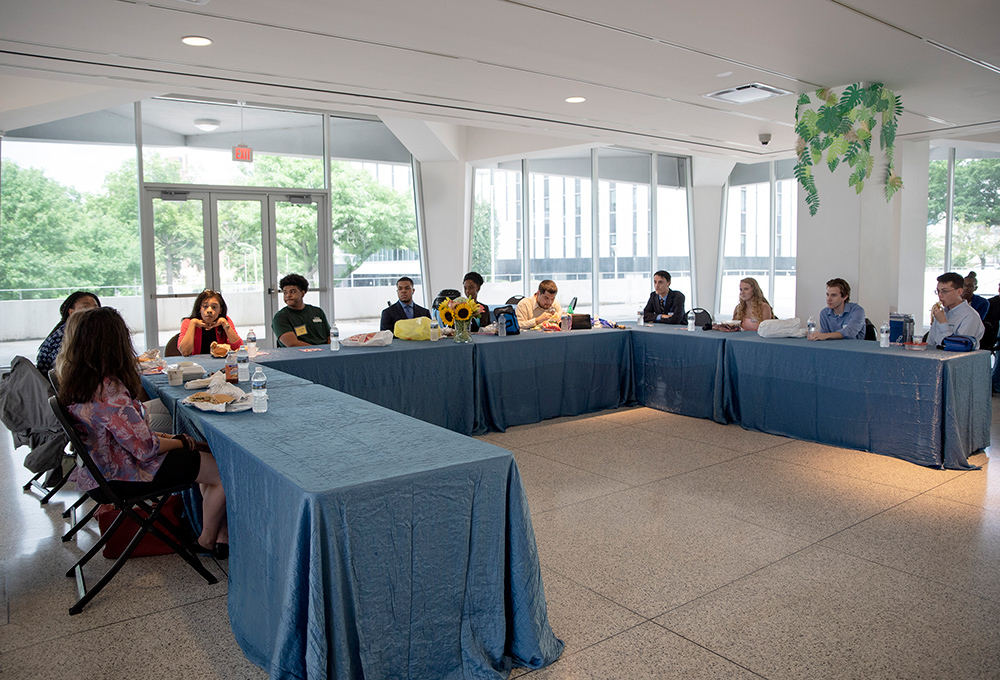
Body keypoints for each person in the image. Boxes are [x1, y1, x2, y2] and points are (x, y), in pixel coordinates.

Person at [56, 307, 228, 555]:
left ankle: (220, 536)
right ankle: (207, 541)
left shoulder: (79, 379)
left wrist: (175, 439)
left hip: (101, 468)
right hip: (122, 474)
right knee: (219, 470)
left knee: (204, 460)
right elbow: (145, 448)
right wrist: (181, 442)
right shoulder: (108, 389)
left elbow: (130, 434)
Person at [36, 291, 101, 375]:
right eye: (85, 307)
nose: (92, 310)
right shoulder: (64, 336)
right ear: (71, 312)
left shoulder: (87, 332)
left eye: (96, 307)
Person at [272, 274, 331, 347]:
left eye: (292, 292)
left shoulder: (318, 312)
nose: (288, 295)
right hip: (298, 355)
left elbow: (330, 337)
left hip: (323, 353)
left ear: (302, 293)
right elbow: (292, 344)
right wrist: (317, 351)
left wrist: (328, 351)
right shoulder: (280, 317)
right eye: (285, 292)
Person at [177, 289, 242, 356]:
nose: (209, 310)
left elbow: (238, 348)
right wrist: (193, 323)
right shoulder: (188, 322)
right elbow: (185, 352)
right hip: (196, 364)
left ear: (220, 310)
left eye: (214, 307)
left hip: (221, 363)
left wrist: (224, 324)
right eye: (205, 306)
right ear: (200, 308)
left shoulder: (225, 321)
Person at [928, 271, 984, 346]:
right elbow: (930, 343)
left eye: (944, 291)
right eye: (938, 291)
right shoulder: (941, 313)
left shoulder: (970, 316)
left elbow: (957, 346)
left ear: (959, 292)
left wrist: (943, 323)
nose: (940, 295)